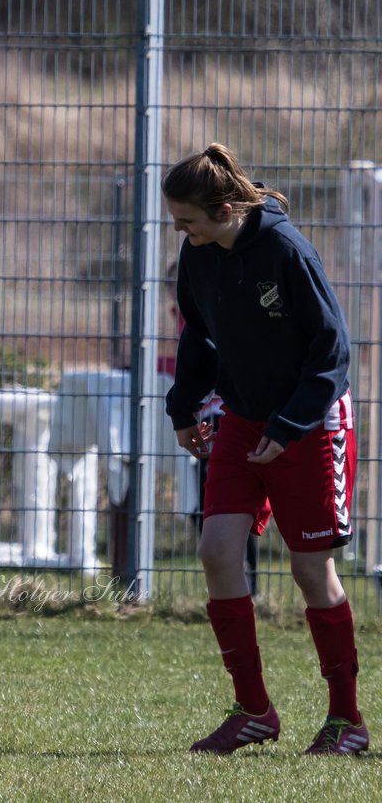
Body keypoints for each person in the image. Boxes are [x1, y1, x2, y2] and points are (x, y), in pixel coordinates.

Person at [163, 143, 366, 756]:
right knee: (217, 551)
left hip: (309, 423)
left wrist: (291, 423)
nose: (182, 234)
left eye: (188, 222)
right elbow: (198, 334)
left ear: (225, 209)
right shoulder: (198, 255)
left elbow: (332, 352)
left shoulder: (286, 252)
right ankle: (254, 710)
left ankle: (346, 721)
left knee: (310, 571)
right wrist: (184, 407)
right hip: (243, 421)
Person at [164, 260, 261, 597]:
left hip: (224, 416)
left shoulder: (208, 310)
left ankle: (250, 580)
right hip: (206, 416)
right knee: (212, 504)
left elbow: (199, 361)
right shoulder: (186, 312)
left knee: (230, 504)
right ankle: (237, 578)